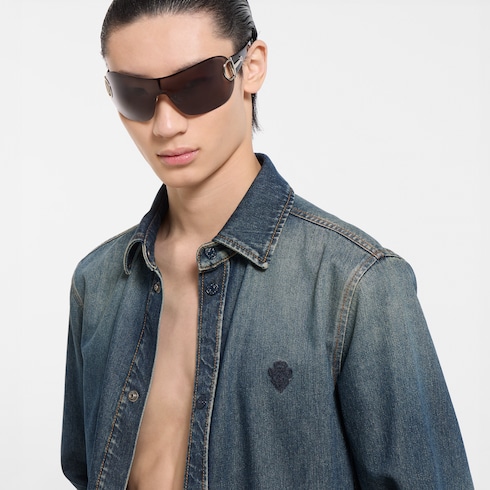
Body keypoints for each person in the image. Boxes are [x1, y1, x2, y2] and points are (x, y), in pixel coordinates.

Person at [61, 1, 473, 489]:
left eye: (195, 85)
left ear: (250, 67)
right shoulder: (98, 283)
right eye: (135, 94)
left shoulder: (355, 285)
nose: (166, 125)